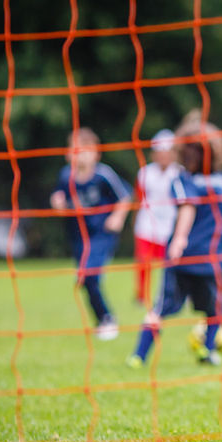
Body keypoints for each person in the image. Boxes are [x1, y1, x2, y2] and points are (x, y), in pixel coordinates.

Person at [127, 120, 222, 368]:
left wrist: (179, 239)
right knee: (215, 309)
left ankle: (138, 356)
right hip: (212, 258)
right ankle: (208, 351)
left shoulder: (183, 180)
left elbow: (187, 207)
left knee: (160, 309)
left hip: (182, 256)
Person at [50, 128, 131, 341]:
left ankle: (107, 319)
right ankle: (102, 319)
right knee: (85, 280)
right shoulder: (66, 176)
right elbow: (59, 198)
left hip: (102, 234)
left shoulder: (104, 175)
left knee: (88, 275)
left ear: (96, 154)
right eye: (76, 150)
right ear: (68, 153)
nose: (80, 155)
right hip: (78, 236)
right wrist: (57, 203)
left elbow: (124, 197)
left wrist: (117, 218)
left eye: (85, 150)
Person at [133, 129, 180, 306]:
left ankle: (171, 293)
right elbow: (138, 198)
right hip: (147, 223)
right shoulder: (145, 173)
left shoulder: (179, 173)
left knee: (171, 263)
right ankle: (141, 295)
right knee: (143, 261)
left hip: (170, 224)